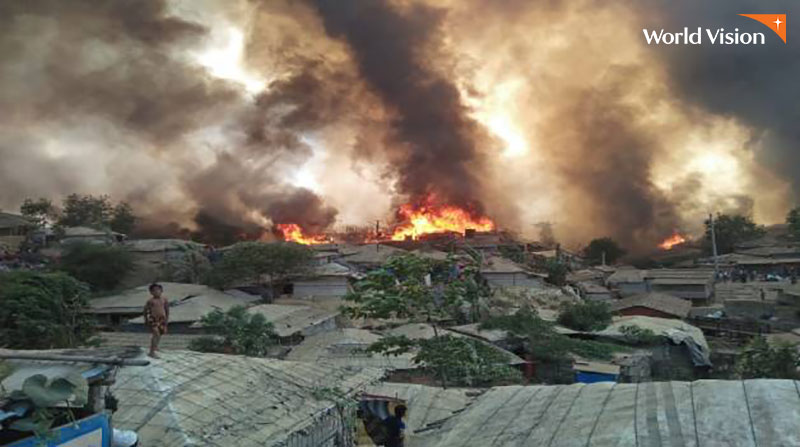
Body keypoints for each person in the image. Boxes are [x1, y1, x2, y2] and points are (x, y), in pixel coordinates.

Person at [143, 283, 169, 358]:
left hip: (162, 319)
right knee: (156, 334)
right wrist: (146, 320)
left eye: (158, 290)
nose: (156, 292)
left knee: (160, 334)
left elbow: (167, 309)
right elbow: (145, 311)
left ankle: (156, 347)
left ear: (161, 291)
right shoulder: (150, 301)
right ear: (151, 292)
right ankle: (151, 352)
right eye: (154, 290)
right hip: (153, 319)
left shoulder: (164, 299)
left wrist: (166, 319)